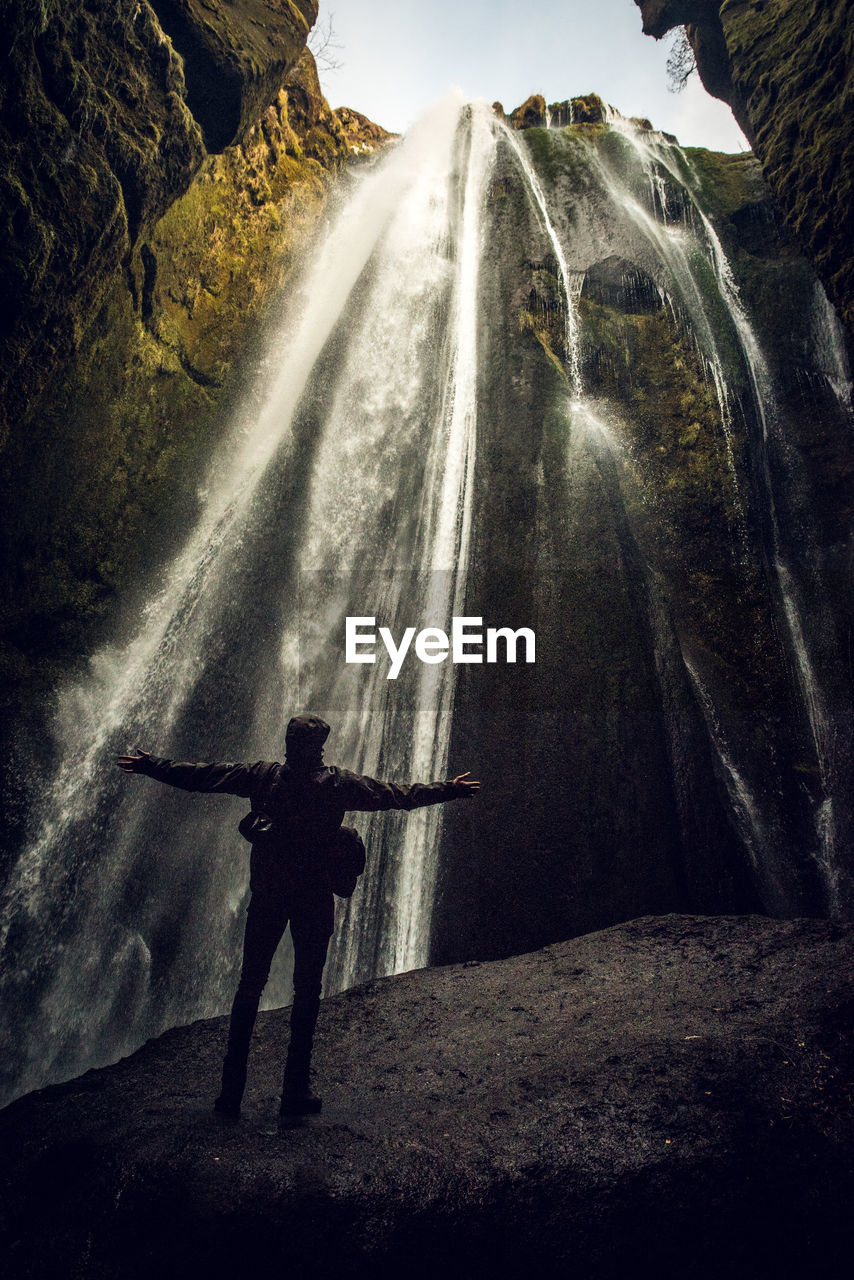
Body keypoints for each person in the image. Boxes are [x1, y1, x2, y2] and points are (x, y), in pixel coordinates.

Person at [117, 713, 480, 1119]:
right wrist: (448, 790)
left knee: (249, 987)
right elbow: (396, 795)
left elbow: (205, 777)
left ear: (288, 744)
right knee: (307, 991)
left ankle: (229, 1096)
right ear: (318, 748)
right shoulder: (338, 784)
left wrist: (152, 766)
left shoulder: (262, 776)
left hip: (269, 896)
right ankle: (294, 1091)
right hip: (313, 898)